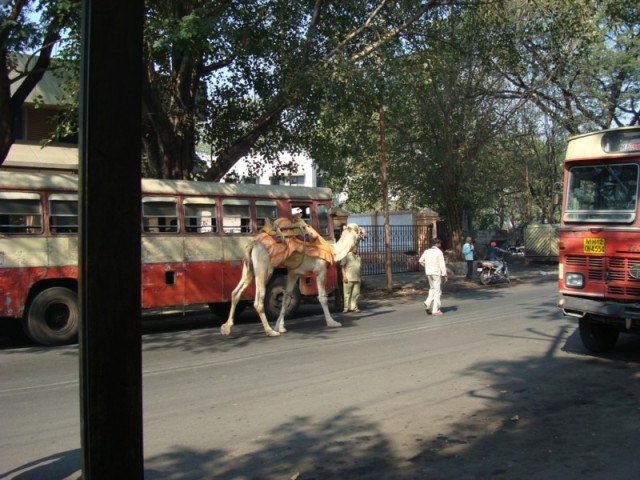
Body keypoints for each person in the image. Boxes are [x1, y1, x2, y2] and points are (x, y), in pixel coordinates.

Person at [418, 238, 448, 316]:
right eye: (440, 243)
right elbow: (442, 264)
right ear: (437, 244)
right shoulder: (439, 252)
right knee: (437, 291)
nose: (440, 245)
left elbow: (420, 261)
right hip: (436, 273)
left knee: (432, 288)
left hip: (428, 272)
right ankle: (435, 310)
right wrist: (444, 274)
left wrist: (427, 266)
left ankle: (428, 303)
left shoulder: (426, 251)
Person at [341, 244, 362, 313]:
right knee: (347, 294)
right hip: (348, 278)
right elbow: (342, 267)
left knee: (356, 294)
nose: (355, 249)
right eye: (354, 247)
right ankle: (346, 308)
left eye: (356, 247)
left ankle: (354, 307)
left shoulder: (359, 257)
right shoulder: (346, 256)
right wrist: (344, 276)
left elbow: (359, 268)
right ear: (351, 248)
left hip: (357, 278)